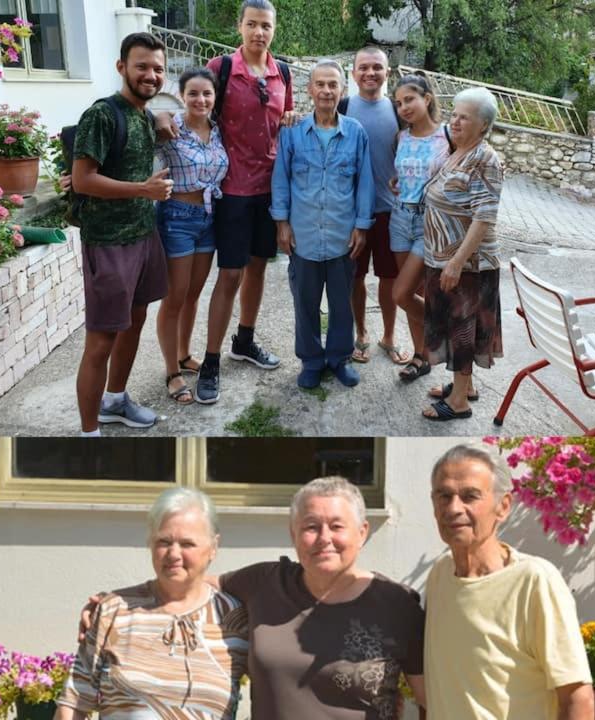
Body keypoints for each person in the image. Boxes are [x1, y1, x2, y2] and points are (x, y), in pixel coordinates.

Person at [79, 478, 426, 719]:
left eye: (337, 526)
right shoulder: (265, 583)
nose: (324, 538)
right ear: (293, 535)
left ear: (362, 532)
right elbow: (190, 581)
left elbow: (432, 702)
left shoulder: (397, 604)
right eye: (310, 527)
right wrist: (114, 603)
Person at [425, 444, 595, 720]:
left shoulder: (534, 581)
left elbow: (578, 697)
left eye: (470, 496)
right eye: (443, 496)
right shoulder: (440, 576)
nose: (453, 508)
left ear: (502, 507)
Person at [56, 488, 248, 719]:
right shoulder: (115, 610)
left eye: (187, 544)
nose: (173, 554)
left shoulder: (235, 617)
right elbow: (74, 702)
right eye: (164, 541)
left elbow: (276, 688)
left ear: (213, 547)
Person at [194, 0, 295, 404]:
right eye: (252, 24)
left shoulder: (281, 71)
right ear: (240, 27)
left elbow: (284, 119)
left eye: (265, 26)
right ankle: (210, 360)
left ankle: (245, 340)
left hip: (270, 191)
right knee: (230, 275)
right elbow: (196, 108)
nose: (259, 32)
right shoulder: (220, 69)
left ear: (273, 29)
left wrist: (290, 118)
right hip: (232, 190)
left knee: (258, 270)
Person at [72, 32, 172, 435]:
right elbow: (82, 180)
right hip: (109, 242)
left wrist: (163, 121)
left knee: (134, 321)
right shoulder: (101, 114)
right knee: (101, 341)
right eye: (142, 66)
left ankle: (115, 400)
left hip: (143, 237)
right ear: (122, 68)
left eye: (158, 69)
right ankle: (89, 432)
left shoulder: (145, 116)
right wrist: (143, 190)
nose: (151, 75)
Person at [271, 59, 375, 389]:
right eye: (320, 84)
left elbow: (365, 183)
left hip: (342, 236)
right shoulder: (292, 134)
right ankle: (312, 360)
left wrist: (361, 226)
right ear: (310, 90)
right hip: (303, 235)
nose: (326, 91)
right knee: (305, 301)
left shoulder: (356, 132)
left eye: (333, 85)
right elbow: (281, 180)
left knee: (342, 303)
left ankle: (338, 358)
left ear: (342, 90)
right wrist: (282, 224)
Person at [421, 87, 504, 421]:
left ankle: (458, 403)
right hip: (444, 257)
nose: (454, 121)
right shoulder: (459, 150)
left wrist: (456, 262)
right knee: (455, 325)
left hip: (469, 264)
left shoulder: (485, 159)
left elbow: (484, 216)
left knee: (462, 330)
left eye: (464, 117)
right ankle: (463, 386)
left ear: (483, 125)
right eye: (453, 114)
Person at [155, 68, 229, 405]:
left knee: (193, 294)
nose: (200, 100)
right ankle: (172, 371)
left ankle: (184, 354)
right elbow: (140, 128)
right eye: (193, 94)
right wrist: (160, 116)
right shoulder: (170, 127)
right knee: (174, 297)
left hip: (209, 219)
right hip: (177, 218)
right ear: (182, 96)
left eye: (207, 94)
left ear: (215, 97)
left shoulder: (218, 131)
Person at [342, 47, 409, 367]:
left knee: (389, 279)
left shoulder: (400, 112)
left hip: (389, 211)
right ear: (353, 74)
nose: (370, 73)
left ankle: (389, 337)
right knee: (354, 277)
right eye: (364, 67)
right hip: (351, 213)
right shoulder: (342, 107)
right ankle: (361, 334)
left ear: (387, 73)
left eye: (377, 68)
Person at [390, 74, 452, 385]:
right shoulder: (402, 137)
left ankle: (451, 332)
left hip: (430, 223)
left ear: (427, 98)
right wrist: (398, 182)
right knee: (411, 292)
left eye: (409, 99)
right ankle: (421, 356)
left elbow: (477, 162)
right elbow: (403, 174)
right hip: (400, 218)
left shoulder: (449, 136)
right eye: (399, 103)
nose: (403, 107)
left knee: (400, 294)